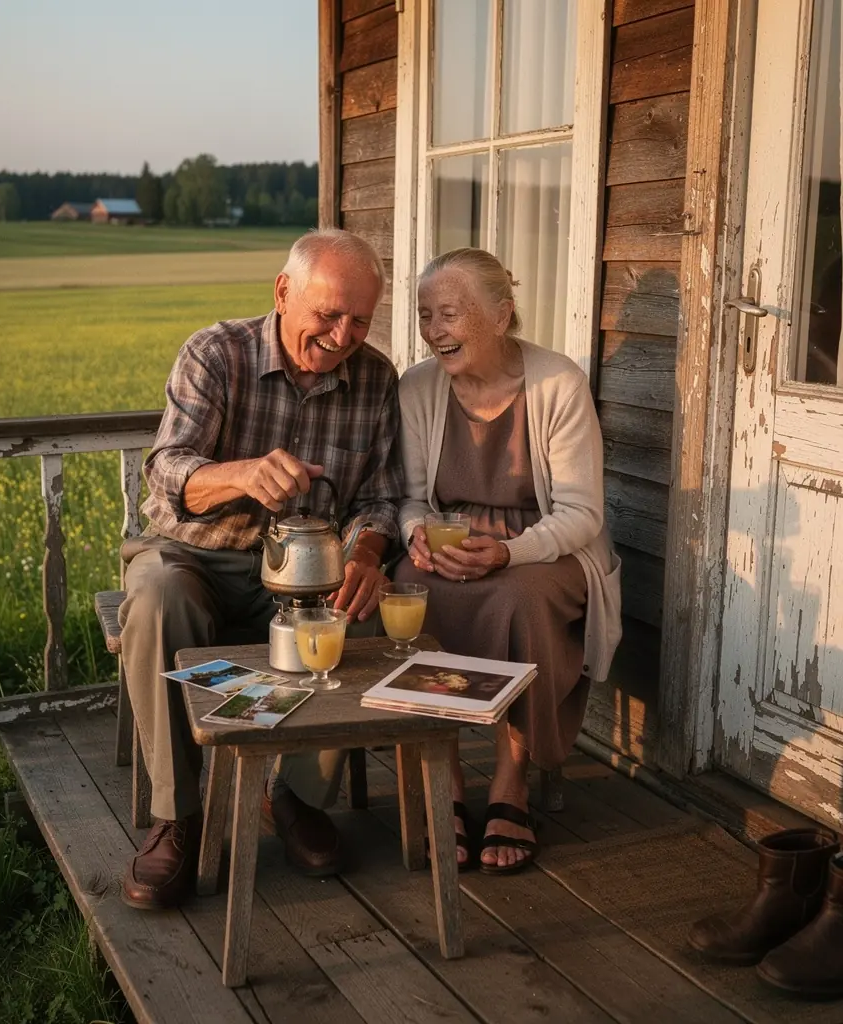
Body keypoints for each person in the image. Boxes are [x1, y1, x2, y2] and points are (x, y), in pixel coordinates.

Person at [119, 228, 403, 910]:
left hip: (306, 574)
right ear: (283, 292)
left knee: (363, 617)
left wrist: (366, 552)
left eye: (359, 320)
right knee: (158, 598)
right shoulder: (216, 353)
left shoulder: (377, 379)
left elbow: (380, 500)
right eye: (328, 315)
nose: (343, 336)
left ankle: (295, 797)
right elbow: (164, 478)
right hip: (198, 557)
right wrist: (240, 474)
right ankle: (177, 818)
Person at [394, 247, 621, 874]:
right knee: (407, 592)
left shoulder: (558, 381)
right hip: (453, 549)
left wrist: (510, 552)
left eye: (450, 314)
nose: (435, 330)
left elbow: (582, 514)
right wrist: (416, 536)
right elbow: (411, 500)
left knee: (520, 598)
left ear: (501, 314)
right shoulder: (417, 387)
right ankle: (446, 785)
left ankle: (509, 783)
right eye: (425, 315)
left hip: (547, 550)